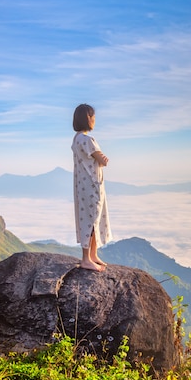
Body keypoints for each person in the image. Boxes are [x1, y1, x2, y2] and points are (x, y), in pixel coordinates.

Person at [71, 103, 112, 271]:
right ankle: (86, 259)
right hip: (92, 185)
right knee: (91, 219)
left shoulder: (76, 139)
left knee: (90, 218)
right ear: (87, 119)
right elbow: (103, 160)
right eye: (93, 117)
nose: (94, 120)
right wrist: (103, 158)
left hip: (82, 184)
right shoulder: (88, 140)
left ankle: (92, 255)